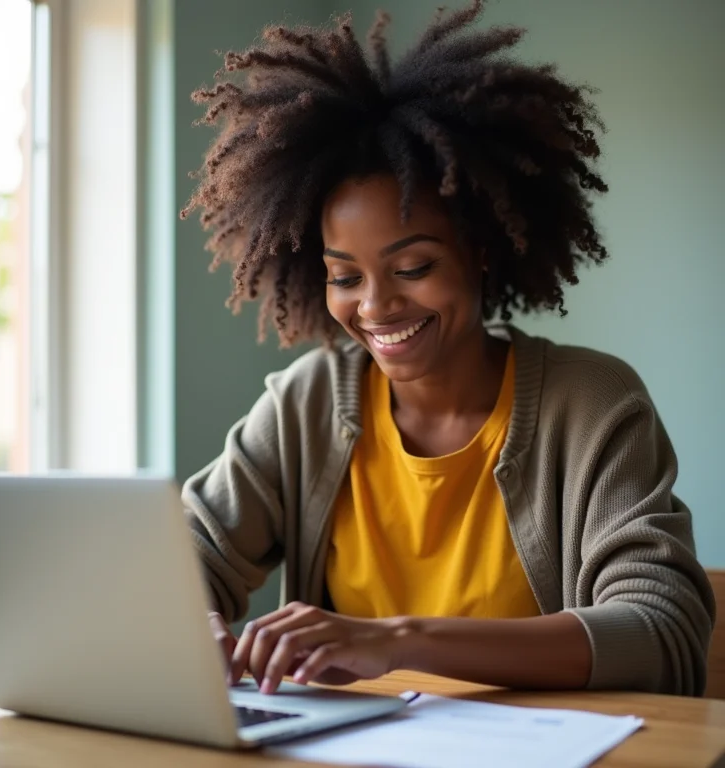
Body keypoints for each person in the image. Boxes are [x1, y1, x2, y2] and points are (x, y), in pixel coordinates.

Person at [180, 1, 715, 697]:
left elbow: (661, 635)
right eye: (345, 277)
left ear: (483, 250)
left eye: (413, 268)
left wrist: (396, 641)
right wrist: (193, 624)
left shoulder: (590, 406)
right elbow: (187, 556)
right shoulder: (306, 403)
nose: (374, 308)